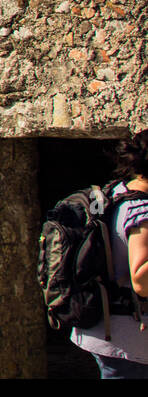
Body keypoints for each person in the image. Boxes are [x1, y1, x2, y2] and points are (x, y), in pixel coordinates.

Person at [69, 131, 148, 378]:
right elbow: (141, 280)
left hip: (108, 329)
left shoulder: (117, 191)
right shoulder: (143, 209)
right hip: (129, 341)